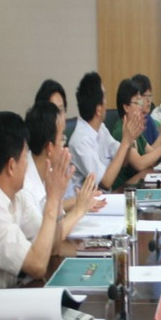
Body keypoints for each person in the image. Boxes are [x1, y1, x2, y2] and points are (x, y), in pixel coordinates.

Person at [0, 111, 87, 320]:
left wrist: (58, 199)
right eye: (25, 157)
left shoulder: (16, 195)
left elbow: (52, 247)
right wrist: (53, 201)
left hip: (5, 306)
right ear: (11, 166)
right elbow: (38, 265)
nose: (28, 164)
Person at [68, 72, 161, 192]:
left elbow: (123, 160)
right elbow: (105, 182)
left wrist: (129, 141)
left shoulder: (101, 129)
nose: (106, 104)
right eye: (104, 98)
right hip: (92, 200)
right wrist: (126, 142)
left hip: (105, 196)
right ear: (98, 110)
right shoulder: (80, 141)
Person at [22, 101, 96, 241]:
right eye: (62, 138)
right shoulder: (25, 188)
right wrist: (79, 210)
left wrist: (80, 202)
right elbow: (49, 239)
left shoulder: (46, 171)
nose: (65, 146)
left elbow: (58, 220)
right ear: (49, 148)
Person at [110, 78, 161, 188]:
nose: (141, 107)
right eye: (137, 103)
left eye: (141, 102)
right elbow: (139, 164)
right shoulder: (121, 131)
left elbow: (151, 155)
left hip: (137, 185)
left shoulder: (135, 129)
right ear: (126, 107)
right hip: (122, 190)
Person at [131, 73, 159, 145]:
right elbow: (147, 152)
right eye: (144, 96)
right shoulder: (130, 124)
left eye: (150, 96)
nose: (148, 100)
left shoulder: (148, 119)